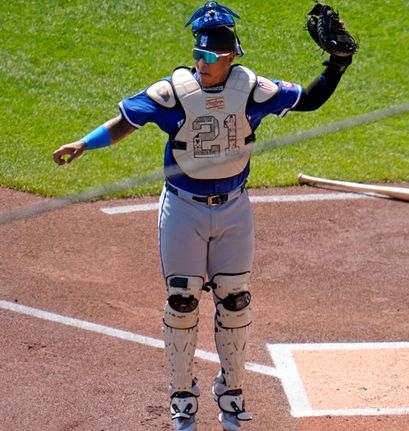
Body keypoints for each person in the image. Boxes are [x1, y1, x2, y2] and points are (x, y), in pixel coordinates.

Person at [52, 2, 353, 430]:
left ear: (230, 56)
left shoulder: (252, 90)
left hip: (233, 209)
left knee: (235, 301)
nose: (201, 63)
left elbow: (307, 100)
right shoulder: (173, 93)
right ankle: (182, 394)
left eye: (210, 56)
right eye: (198, 54)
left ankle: (230, 392)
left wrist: (338, 65)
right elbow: (125, 122)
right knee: (182, 301)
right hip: (183, 211)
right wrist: (83, 144)